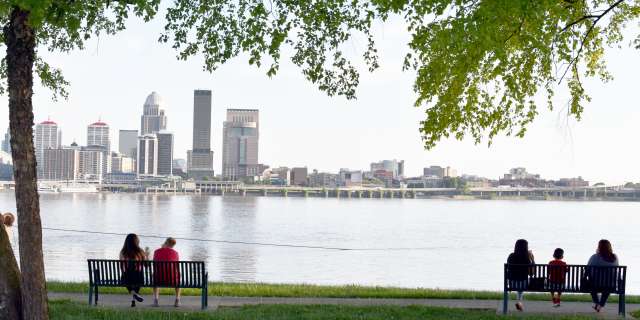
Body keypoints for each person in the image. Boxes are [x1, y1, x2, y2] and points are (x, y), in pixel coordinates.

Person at [587, 239, 619, 313]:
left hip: (595, 285)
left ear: (599, 247)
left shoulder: (594, 257)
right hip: (611, 285)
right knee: (607, 286)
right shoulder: (615, 257)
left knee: (592, 286)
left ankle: (597, 303)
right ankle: (600, 305)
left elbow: (587, 269)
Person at [120, 233, 147, 307]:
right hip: (139, 278)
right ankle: (134, 297)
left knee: (125, 279)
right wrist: (147, 256)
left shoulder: (123, 252)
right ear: (136, 241)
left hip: (126, 278)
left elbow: (122, 267)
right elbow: (146, 265)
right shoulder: (140, 252)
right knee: (138, 280)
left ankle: (133, 293)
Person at [506, 239, 535, 312]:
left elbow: (509, 269)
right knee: (522, 284)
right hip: (523, 284)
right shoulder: (526, 258)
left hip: (512, 283)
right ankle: (519, 302)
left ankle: (519, 303)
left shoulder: (511, 256)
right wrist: (532, 259)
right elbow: (531, 274)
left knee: (519, 283)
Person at [152, 237, 181, 307]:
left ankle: (156, 299)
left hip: (158, 279)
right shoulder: (175, 253)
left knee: (155, 275)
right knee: (178, 277)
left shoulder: (156, 251)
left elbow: (154, 265)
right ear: (173, 245)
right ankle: (177, 299)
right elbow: (176, 267)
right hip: (172, 280)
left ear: (166, 242)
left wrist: (162, 248)